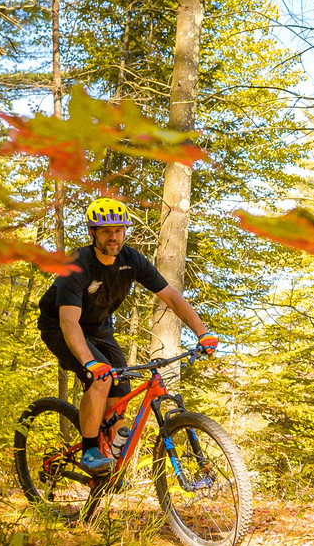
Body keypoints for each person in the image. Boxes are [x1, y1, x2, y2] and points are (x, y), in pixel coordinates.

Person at [39, 197, 220, 473]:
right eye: (105, 231)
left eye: (118, 230)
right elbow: (68, 322)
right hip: (60, 326)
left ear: (125, 231)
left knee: (120, 390)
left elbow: (170, 296)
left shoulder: (131, 260)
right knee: (99, 379)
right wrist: (91, 363)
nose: (113, 237)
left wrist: (202, 332)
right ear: (92, 233)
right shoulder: (78, 264)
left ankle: (109, 462)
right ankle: (90, 451)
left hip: (99, 327)